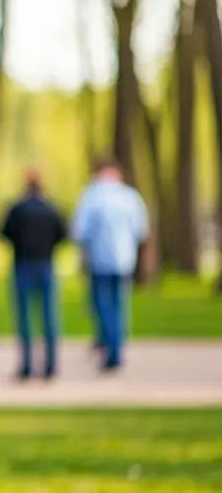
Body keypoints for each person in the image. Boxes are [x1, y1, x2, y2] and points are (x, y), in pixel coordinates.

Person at [70, 156, 148, 373]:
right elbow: (141, 230)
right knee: (119, 305)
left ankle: (110, 348)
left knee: (102, 305)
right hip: (125, 260)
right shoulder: (130, 197)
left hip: (100, 259)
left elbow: (80, 231)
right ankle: (115, 346)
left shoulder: (92, 196)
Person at [0, 167, 67, 381]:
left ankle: (27, 366)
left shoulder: (17, 209)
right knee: (49, 317)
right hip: (45, 264)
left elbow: (5, 232)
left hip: (22, 264)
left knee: (25, 318)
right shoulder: (51, 208)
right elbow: (62, 234)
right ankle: (50, 366)